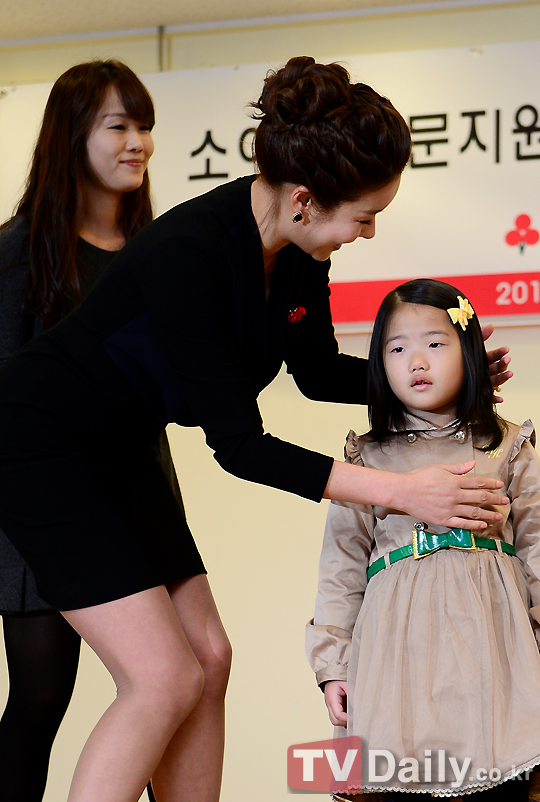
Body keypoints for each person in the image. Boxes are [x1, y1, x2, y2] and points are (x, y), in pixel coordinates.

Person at [0, 57, 510, 802]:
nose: (368, 233)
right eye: (363, 216)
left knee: (209, 658)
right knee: (162, 677)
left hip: (119, 446)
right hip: (38, 445)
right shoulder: (190, 253)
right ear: (305, 200)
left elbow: (316, 369)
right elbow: (239, 447)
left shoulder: (298, 251)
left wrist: (443, 379)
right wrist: (402, 490)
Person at [0, 60, 191, 802]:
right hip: (44, 505)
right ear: (71, 135)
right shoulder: (17, 254)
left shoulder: (159, 253)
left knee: (179, 678)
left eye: (145, 127)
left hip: (138, 495)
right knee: (42, 694)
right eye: (119, 126)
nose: (137, 142)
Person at [306, 278, 540, 800]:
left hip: (496, 652)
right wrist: (333, 666)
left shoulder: (507, 446)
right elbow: (340, 569)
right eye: (397, 349)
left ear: (471, 353)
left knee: (502, 782)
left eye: (435, 343)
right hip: (395, 656)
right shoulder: (366, 461)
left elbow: (538, 546)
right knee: (402, 784)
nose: (416, 361)